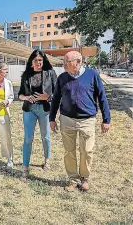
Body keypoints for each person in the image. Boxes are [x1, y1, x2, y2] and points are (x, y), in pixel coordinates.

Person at [50, 51, 111, 192]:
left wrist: (106, 119)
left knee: (87, 151)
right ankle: (73, 179)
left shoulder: (92, 75)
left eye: (67, 62)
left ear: (78, 62)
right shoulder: (62, 78)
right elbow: (55, 99)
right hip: (67, 120)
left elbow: (102, 97)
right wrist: (52, 118)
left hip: (87, 120)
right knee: (69, 151)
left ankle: (84, 178)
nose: (64, 65)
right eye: (64, 62)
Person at [18, 50, 57, 182]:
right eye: (36, 60)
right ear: (31, 61)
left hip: (45, 109)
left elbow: (58, 93)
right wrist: (27, 97)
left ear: (44, 61)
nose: (38, 62)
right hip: (29, 109)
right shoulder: (26, 75)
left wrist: (48, 97)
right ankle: (25, 168)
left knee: (45, 136)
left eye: (40, 60)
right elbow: (20, 95)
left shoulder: (50, 73)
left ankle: (47, 160)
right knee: (28, 138)